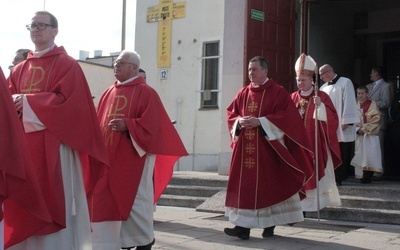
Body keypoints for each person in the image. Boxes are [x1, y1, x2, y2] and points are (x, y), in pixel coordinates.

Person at [7, 11, 109, 249]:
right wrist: (14, 102)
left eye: (42, 25)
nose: (36, 29)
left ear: (55, 30)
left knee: (54, 199)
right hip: (24, 150)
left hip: (56, 147)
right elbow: (6, 102)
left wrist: (31, 103)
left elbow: (74, 106)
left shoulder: (67, 65)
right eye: (32, 25)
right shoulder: (19, 69)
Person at [89, 50, 187, 250]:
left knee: (136, 201)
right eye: (115, 62)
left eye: (120, 63)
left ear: (134, 67)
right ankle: (122, 241)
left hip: (134, 158)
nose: (116, 66)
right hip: (109, 159)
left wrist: (129, 125)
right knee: (109, 200)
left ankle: (144, 241)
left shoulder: (146, 92)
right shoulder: (108, 92)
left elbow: (155, 127)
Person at [224, 56, 314, 240]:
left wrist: (261, 122)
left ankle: (270, 224)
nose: (251, 73)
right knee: (246, 188)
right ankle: (242, 228)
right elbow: (231, 114)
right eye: (249, 70)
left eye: (255, 69)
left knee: (270, 188)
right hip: (245, 151)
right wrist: (238, 122)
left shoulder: (278, 92)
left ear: (265, 71)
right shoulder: (243, 93)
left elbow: (287, 118)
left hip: (268, 150)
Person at [290, 54, 341, 211]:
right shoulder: (292, 98)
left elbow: (333, 119)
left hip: (315, 143)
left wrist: (321, 108)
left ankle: (316, 205)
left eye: (303, 80)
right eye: (298, 80)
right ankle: (300, 206)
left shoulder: (321, 96)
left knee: (315, 171)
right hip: (298, 145)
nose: (300, 83)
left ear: (311, 80)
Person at [319, 64, 359, 186]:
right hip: (328, 124)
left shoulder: (345, 82)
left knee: (342, 150)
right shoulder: (323, 87)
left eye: (322, 74)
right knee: (330, 150)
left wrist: (346, 120)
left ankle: (340, 177)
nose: (320, 77)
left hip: (342, 124)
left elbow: (349, 100)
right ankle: (331, 176)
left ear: (329, 72)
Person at [351, 86, 383, 183]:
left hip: (370, 134)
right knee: (360, 154)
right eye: (358, 93)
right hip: (359, 134)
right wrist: (357, 129)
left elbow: (376, 118)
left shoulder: (372, 104)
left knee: (371, 155)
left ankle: (368, 176)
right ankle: (361, 175)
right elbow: (352, 118)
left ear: (367, 94)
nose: (360, 95)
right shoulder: (354, 105)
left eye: (362, 93)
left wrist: (364, 129)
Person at [366, 66, 393, 176]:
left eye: (372, 72)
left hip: (379, 120)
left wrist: (371, 104)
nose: (370, 75)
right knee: (367, 146)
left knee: (378, 146)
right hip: (366, 120)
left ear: (377, 73)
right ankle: (367, 170)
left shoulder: (386, 86)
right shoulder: (368, 87)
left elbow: (386, 102)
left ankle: (378, 172)